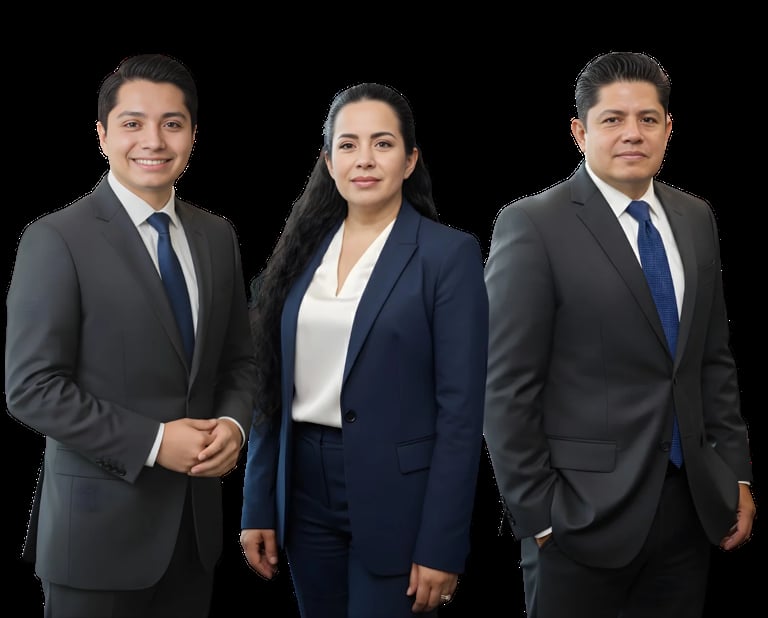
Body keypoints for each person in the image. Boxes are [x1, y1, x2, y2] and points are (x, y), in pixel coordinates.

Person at [483, 51, 756, 618]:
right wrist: (539, 515)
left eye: (648, 119)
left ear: (668, 128)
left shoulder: (695, 218)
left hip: (690, 508)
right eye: (613, 120)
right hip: (580, 520)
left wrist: (735, 474)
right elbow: (505, 386)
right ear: (580, 131)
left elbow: (711, 360)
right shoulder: (532, 225)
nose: (633, 133)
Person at [5, 53, 254, 618]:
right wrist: (155, 443)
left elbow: (240, 359)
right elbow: (32, 387)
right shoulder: (55, 239)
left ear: (193, 134)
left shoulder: (218, 236)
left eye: (172, 123)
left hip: (195, 537)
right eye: (132, 123)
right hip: (95, 538)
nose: (154, 141)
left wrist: (235, 425)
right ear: (102, 135)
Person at [239, 82, 489, 617]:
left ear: (410, 159)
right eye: (348, 145)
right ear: (328, 161)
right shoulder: (298, 255)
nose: (365, 160)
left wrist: (443, 542)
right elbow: (269, 387)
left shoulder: (448, 255)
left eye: (382, 143)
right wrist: (257, 502)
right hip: (303, 485)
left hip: (399, 494)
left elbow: (462, 413)